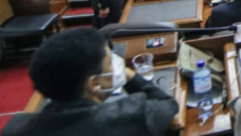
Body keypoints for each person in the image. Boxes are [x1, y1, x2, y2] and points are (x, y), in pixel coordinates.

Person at [1, 28, 179, 136]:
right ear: (94, 84)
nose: (115, 64)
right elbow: (167, 103)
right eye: (110, 62)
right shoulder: (131, 115)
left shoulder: (15, 128)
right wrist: (129, 75)